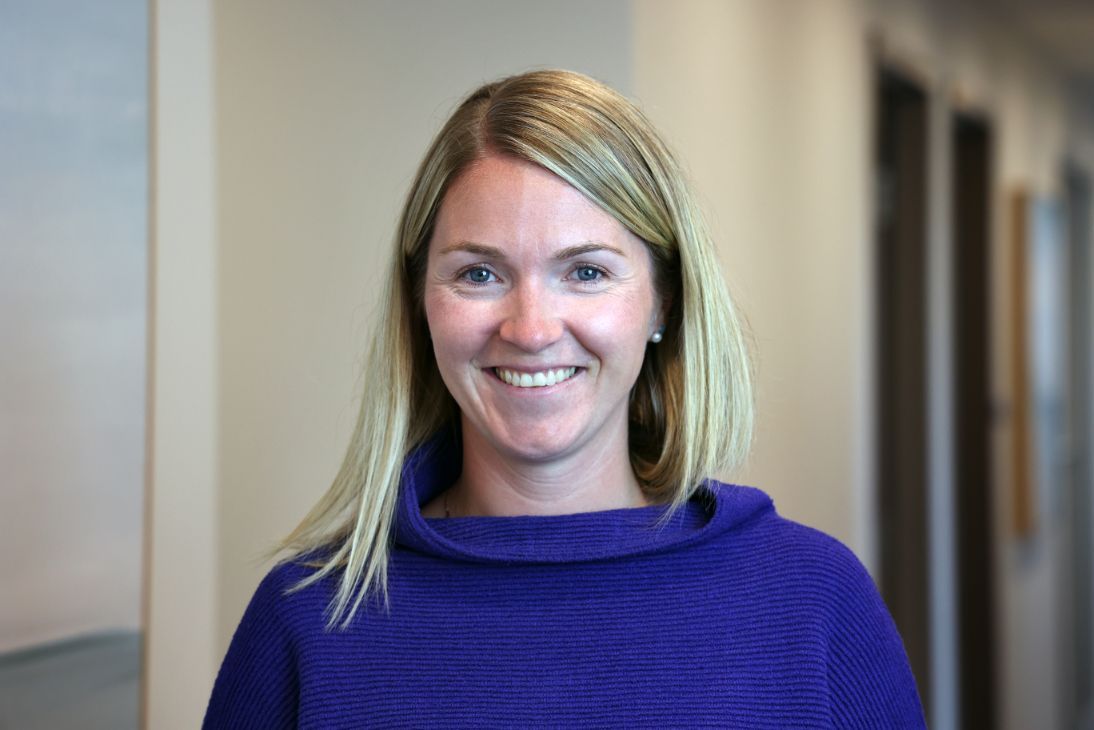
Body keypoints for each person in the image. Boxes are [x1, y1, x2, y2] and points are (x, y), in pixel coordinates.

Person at [203, 69, 926, 728]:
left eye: (584, 271)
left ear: (663, 301)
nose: (531, 329)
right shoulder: (309, 619)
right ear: (420, 302)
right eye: (479, 274)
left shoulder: (812, 603)